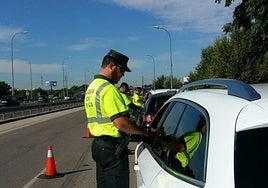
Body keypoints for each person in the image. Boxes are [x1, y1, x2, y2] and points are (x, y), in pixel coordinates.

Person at [84, 49, 151, 188]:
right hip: (112, 148)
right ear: (112, 65)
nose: (123, 74)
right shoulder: (109, 89)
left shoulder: (92, 88)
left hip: (98, 146)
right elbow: (121, 123)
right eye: (122, 70)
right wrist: (144, 132)